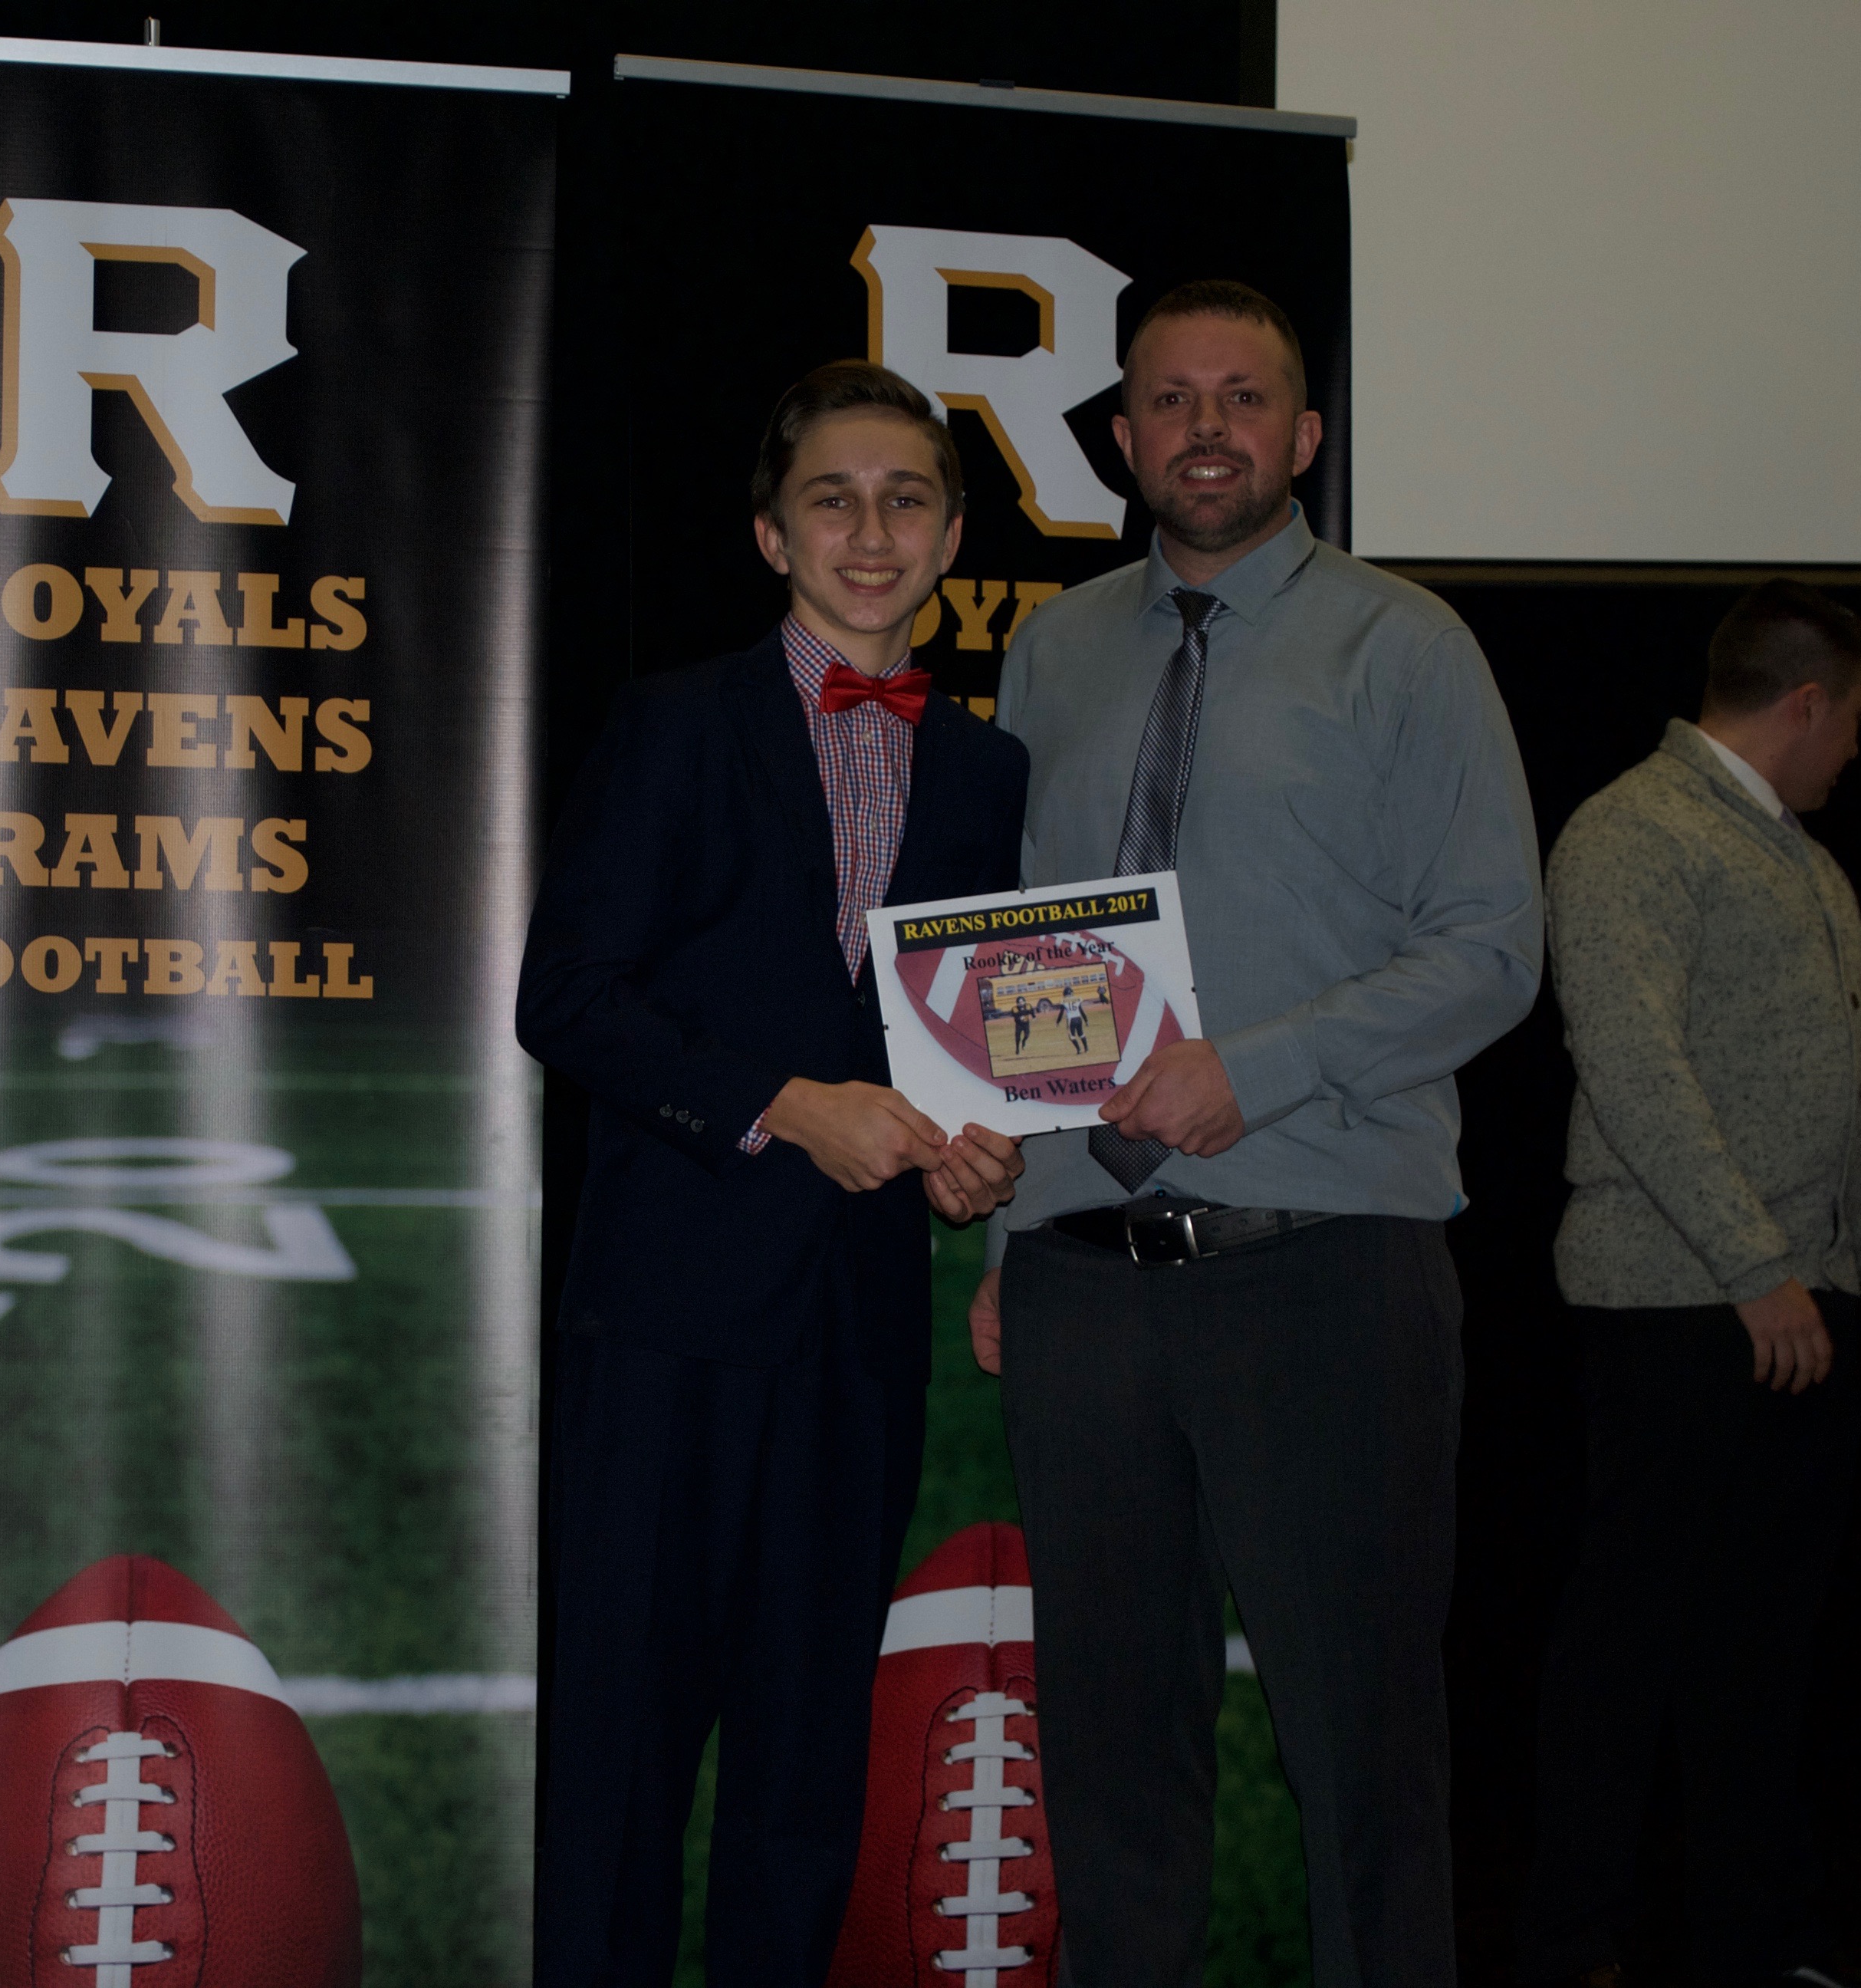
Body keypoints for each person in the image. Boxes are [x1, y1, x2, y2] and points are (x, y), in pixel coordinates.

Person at [965, 279, 1544, 1984]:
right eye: (1169, 398)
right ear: (1122, 437)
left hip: (1326, 1268)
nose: (1203, 427)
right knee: (1111, 1757)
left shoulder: (1405, 644)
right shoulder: (1053, 649)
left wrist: (1259, 1069)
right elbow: (1028, 965)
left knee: (1361, 1758)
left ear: (1303, 434)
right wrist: (1012, 1230)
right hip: (1083, 1280)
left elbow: (1494, 948)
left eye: (1241, 397)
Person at [518, 361, 1029, 1986]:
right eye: (833, 499)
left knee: (806, 1767)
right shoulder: (677, 724)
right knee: (621, 1753)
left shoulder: (987, 774)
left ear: (952, 534)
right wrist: (784, 1107)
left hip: (855, 1333)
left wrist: (974, 1160)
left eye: (904, 500)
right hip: (667, 1318)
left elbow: (965, 1048)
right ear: (769, 533)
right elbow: (564, 998)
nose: (870, 533)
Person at [1515, 581, 1861, 1988]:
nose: (1859, 751)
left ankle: (1757, 1943)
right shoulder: (1630, 832)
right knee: (1627, 1644)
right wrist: (1756, 1269)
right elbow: (1633, 1065)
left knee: (1763, 1652)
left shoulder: (1807, 865)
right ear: (1805, 704)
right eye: (1856, 720)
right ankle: (1573, 1945)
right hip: (1674, 1310)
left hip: (1803, 1309)